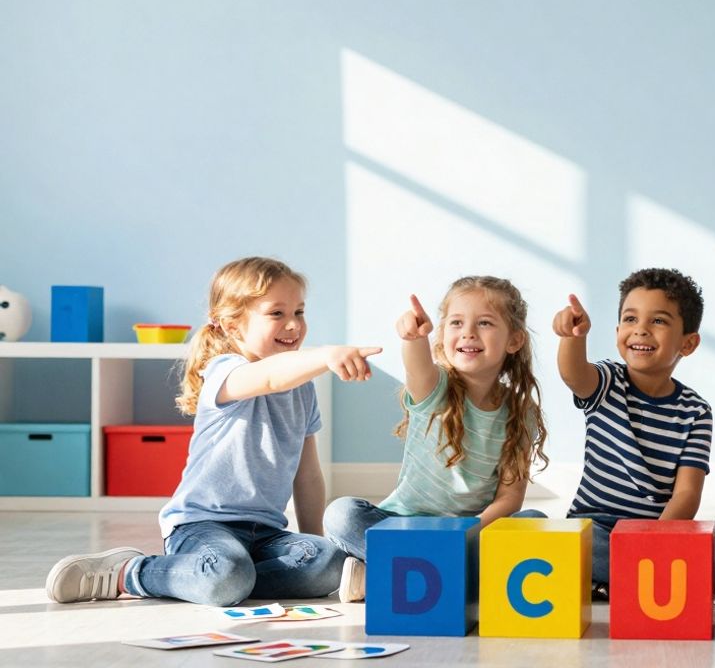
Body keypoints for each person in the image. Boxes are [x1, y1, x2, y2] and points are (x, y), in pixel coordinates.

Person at [46, 257, 378, 606]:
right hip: (202, 525)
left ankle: (224, 575)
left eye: (299, 312)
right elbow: (269, 376)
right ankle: (129, 572)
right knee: (226, 574)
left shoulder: (302, 389)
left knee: (329, 562)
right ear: (233, 326)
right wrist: (325, 355)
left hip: (264, 532)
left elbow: (307, 475)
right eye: (277, 314)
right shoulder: (225, 371)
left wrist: (314, 546)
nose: (293, 325)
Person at [324, 276, 549, 602]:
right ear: (443, 336)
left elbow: (510, 498)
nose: (468, 332)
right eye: (456, 322)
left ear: (514, 340)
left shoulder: (520, 410)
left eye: (484, 322)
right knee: (342, 515)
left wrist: (463, 536)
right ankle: (445, 574)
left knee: (533, 522)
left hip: (471, 529)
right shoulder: (435, 387)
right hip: (404, 524)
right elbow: (417, 366)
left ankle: (398, 573)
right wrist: (414, 338)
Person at [553, 267, 715, 598]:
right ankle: (640, 581)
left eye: (658, 321)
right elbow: (574, 374)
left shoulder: (696, 411)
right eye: (630, 320)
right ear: (618, 329)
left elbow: (686, 494)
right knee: (567, 539)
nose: (641, 331)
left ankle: (611, 582)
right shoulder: (607, 382)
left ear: (688, 343)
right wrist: (572, 337)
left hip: (660, 531)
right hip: (596, 527)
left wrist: (652, 543)